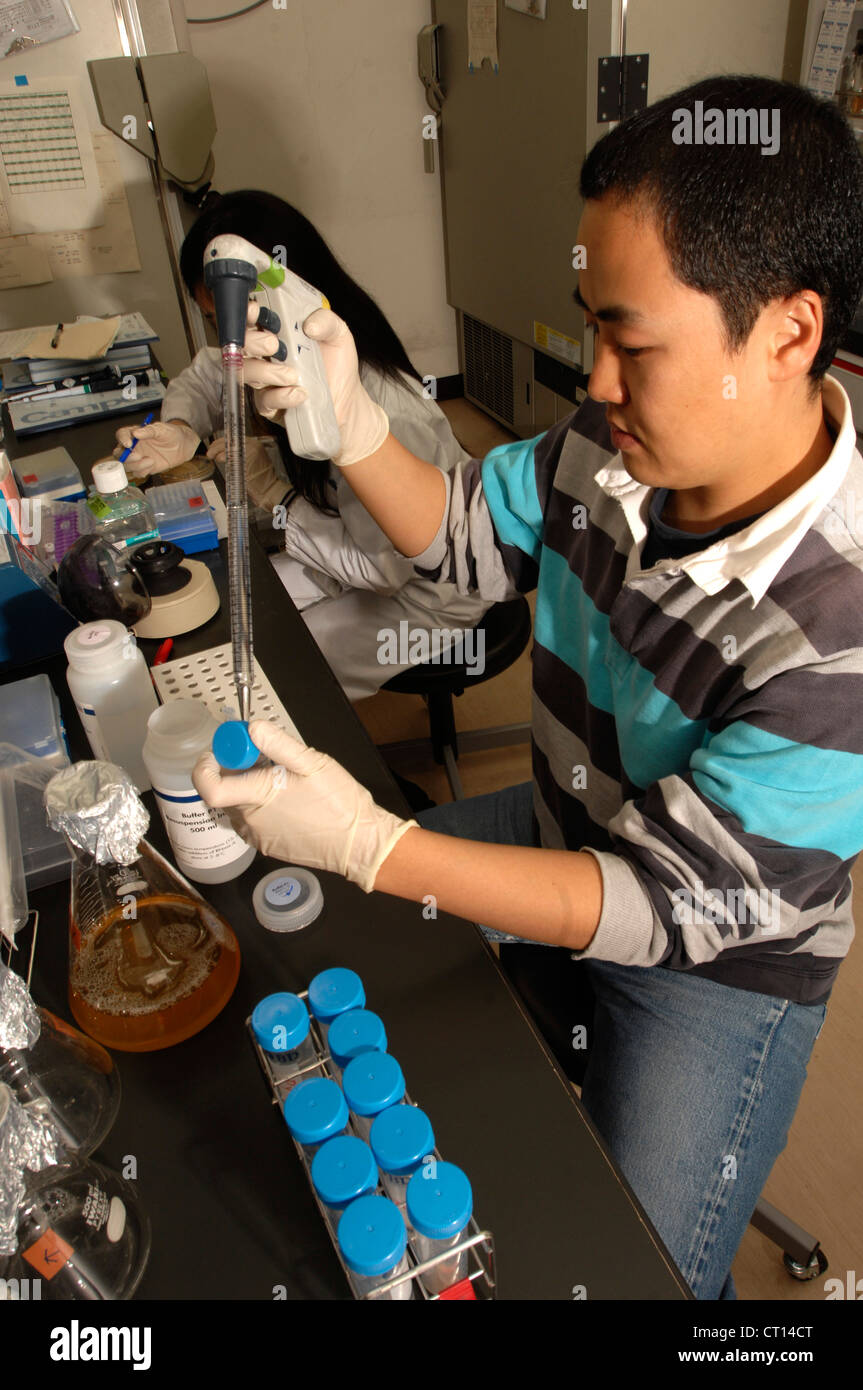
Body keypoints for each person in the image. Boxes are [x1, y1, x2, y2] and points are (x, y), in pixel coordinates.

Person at [193, 75, 863, 1299]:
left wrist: (374, 838)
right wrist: (351, 432)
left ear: (786, 332)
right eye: (588, 324)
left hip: (707, 967)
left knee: (618, 1276)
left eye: (632, 341)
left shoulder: (842, 629)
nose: (592, 380)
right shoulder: (617, 442)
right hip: (568, 815)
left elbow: (648, 906)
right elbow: (465, 543)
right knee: (340, 936)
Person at [114, 190, 492, 700]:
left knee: (276, 670)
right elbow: (210, 372)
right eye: (214, 322)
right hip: (346, 540)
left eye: (230, 319)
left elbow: (384, 570)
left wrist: (276, 494)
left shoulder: (387, 407)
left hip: (427, 593)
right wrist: (181, 427)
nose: (228, 341)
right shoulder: (283, 343)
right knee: (232, 609)